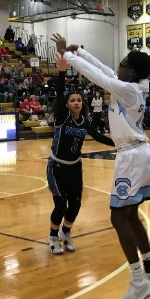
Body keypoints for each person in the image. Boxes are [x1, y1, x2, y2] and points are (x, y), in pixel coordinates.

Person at [51, 33, 150, 299]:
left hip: (131, 156)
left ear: (131, 71)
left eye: (123, 64)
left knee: (118, 218)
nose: (118, 66)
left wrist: (66, 56)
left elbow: (99, 78)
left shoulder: (128, 90)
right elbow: (104, 70)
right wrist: (79, 50)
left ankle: (139, 281)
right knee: (129, 216)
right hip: (139, 154)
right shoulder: (131, 86)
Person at [47, 64, 114, 255]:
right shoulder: (62, 117)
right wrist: (61, 71)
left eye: (78, 100)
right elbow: (60, 93)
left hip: (75, 167)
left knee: (75, 204)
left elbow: (99, 137)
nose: (76, 103)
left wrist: (119, 143)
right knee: (60, 205)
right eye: (72, 100)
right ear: (67, 104)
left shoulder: (84, 121)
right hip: (57, 167)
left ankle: (66, 233)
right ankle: (53, 237)